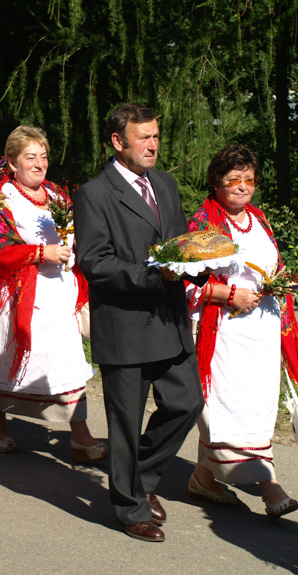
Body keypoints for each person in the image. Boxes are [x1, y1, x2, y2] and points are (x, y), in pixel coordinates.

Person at [74, 103, 204, 542]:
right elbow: (95, 263)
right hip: (124, 325)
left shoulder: (164, 183)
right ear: (118, 141)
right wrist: (154, 275)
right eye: (143, 137)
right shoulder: (95, 193)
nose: (153, 145)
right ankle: (131, 509)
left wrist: (202, 262)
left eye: (155, 136)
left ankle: (140, 482)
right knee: (125, 425)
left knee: (187, 404)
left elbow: (180, 245)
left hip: (169, 321)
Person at [186, 144, 298, 519]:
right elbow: (184, 281)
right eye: (233, 180)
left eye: (249, 180)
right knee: (229, 408)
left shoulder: (258, 217)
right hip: (224, 331)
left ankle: (202, 477)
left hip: (262, 333)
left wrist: (281, 285)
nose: (243, 187)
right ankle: (268, 485)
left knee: (256, 407)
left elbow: (271, 266)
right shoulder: (203, 223)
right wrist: (228, 294)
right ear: (216, 182)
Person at [0, 125, 107, 461]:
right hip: (19, 295)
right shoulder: (0, 198)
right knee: (9, 363)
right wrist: (39, 253)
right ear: (11, 162)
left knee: (68, 361)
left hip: (59, 293)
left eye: (44, 156)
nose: (39, 164)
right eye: (30, 157)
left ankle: (79, 435)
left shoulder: (56, 195)